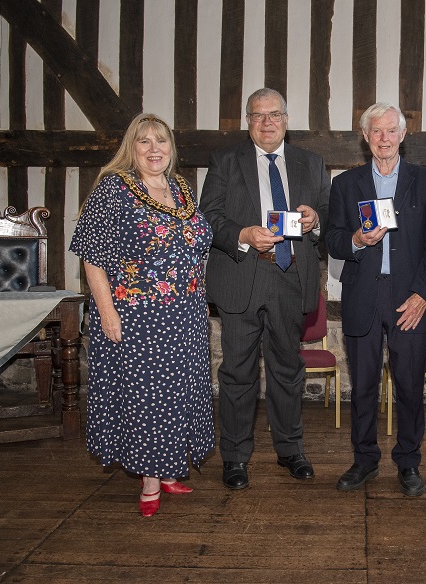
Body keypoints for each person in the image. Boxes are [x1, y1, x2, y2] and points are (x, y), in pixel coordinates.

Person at [69, 113, 215, 517]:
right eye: (144, 141)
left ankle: (168, 468)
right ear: (131, 148)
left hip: (185, 315)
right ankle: (150, 481)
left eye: (161, 141)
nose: (154, 149)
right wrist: (106, 313)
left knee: (177, 395)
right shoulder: (114, 188)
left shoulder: (181, 188)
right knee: (147, 397)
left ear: (171, 147)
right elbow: (92, 258)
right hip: (138, 316)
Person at [199, 88, 330, 490]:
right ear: (248, 121)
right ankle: (235, 456)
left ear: (286, 120)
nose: (267, 122)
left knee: (287, 370)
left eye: (274, 114)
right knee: (237, 373)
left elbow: (330, 218)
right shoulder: (225, 161)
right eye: (258, 115)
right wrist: (243, 234)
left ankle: (290, 450)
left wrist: (316, 220)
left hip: (290, 279)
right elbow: (208, 218)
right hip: (242, 277)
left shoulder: (311, 163)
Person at [326, 103, 426, 496]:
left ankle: (409, 462)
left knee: (409, 386)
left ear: (403, 135)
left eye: (391, 130)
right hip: (363, 295)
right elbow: (333, 240)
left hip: (409, 298)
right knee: (362, 387)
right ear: (365, 137)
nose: (384, 138)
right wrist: (357, 239)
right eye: (376, 131)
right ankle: (364, 460)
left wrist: (422, 295)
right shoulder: (346, 184)